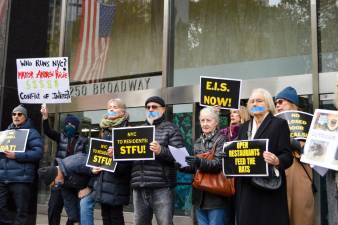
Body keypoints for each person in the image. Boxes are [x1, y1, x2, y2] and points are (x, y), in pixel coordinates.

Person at [235, 88, 293, 225]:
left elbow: (287, 156)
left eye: (259, 101)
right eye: (251, 101)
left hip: (268, 187)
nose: (254, 104)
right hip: (246, 188)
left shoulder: (279, 124)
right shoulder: (243, 127)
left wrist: (277, 160)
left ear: (268, 104)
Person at [131, 96, 184, 225]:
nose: (150, 109)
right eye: (148, 107)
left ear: (163, 109)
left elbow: (181, 157)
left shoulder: (171, 129)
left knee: (165, 223)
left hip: (162, 187)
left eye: (154, 107)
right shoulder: (137, 130)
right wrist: (116, 153)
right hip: (139, 186)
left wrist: (161, 151)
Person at [79, 98, 131, 225]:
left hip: (117, 182)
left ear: (123, 112)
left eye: (115, 107)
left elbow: (129, 163)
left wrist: (117, 154)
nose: (111, 109)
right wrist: (93, 170)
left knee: (115, 217)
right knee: (106, 217)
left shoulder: (127, 130)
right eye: (109, 107)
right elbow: (97, 158)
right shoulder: (104, 130)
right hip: (102, 181)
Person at [182, 106, 233, 225]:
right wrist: (182, 165)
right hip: (199, 196)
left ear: (215, 122)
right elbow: (196, 169)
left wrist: (198, 162)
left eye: (208, 120)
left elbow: (218, 165)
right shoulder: (198, 141)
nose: (205, 124)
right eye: (202, 120)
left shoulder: (222, 140)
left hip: (216, 196)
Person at [41, 105, 88, 225]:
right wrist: (45, 117)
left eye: (72, 125)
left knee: (73, 211)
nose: (69, 127)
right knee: (54, 208)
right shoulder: (60, 137)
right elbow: (48, 131)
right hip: (59, 177)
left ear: (77, 127)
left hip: (73, 180)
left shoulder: (83, 141)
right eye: (67, 124)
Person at [275, 86, 315, 225]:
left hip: (300, 171)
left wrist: (293, 142)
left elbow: (312, 150)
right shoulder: (275, 123)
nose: (277, 105)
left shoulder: (306, 123)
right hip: (280, 173)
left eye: (281, 102)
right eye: (276, 103)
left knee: (301, 216)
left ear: (292, 103)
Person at [0, 105, 43, 225]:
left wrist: (17, 155)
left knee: (21, 212)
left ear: (25, 117)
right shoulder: (6, 132)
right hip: (3, 178)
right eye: (14, 114)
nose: (16, 116)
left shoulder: (32, 132)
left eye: (20, 114)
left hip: (21, 179)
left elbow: (38, 153)